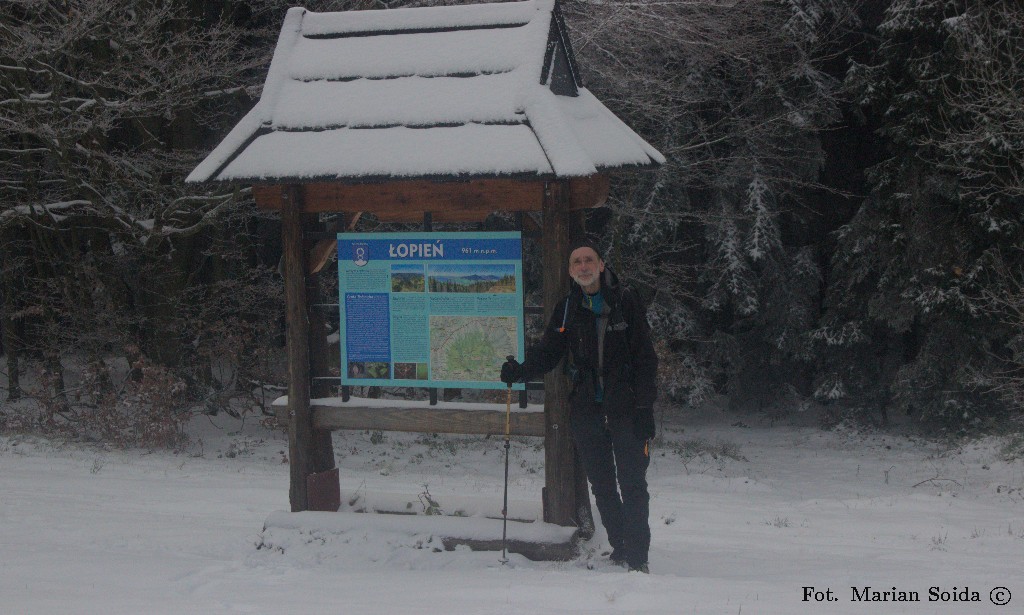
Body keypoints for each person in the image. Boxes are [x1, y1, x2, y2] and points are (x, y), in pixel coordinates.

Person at [500, 241, 658, 573]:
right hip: (586, 406)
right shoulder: (568, 307)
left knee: (632, 482)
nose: (583, 266)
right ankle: (620, 546)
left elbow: (645, 357)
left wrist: (645, 407)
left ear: (601, 265)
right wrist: (521, 371)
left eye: (589, 260)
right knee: (601, 482)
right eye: (577, 262)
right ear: (571, 271)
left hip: (627, 406)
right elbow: (549, 351)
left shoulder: (625, 300)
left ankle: (639, 556)